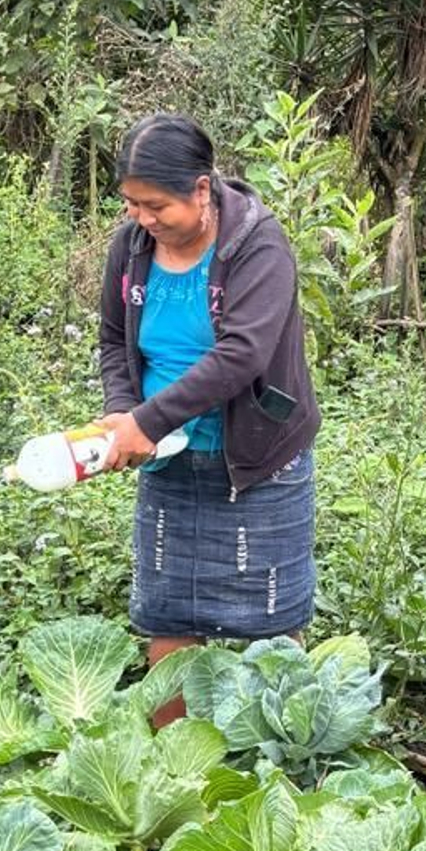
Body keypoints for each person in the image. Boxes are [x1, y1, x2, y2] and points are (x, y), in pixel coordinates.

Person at [96, 113, 320, 693]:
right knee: (167, 612)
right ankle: (177, 763)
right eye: (131, 204)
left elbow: (243, 354)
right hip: (169, 459)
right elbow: (114, 339)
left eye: (155, 206)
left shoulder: (257, 245)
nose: (142, 219)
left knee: (270, 625)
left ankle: (276, 760)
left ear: (201, 190)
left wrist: (147, 420)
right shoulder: (132, 248)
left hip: (258, 461)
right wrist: (124, 412)